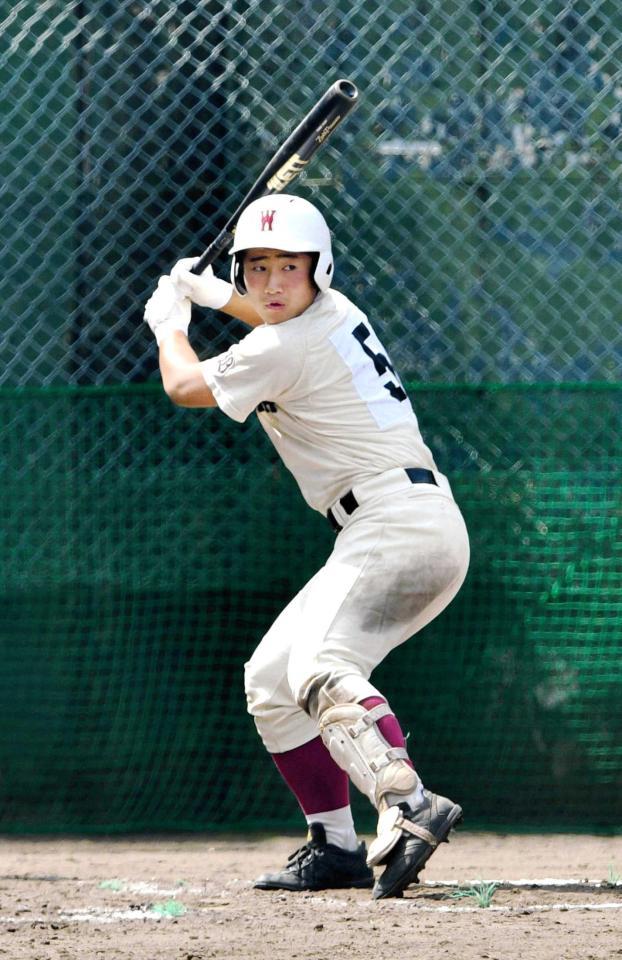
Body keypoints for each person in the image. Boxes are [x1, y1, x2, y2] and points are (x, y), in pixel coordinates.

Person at [143, 194, 470, 899]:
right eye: (256, 268)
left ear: (318, 269)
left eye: (289, 266)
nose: (272, 283)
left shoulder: (279, 344)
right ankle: (337, 846)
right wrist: (218, 296)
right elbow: (270, 320)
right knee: (271, 679)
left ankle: (407, 803)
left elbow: (183, 384)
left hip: (397, 525)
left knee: (323, 663)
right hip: (396, 522)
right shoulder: (334, 313)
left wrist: (171, 323)